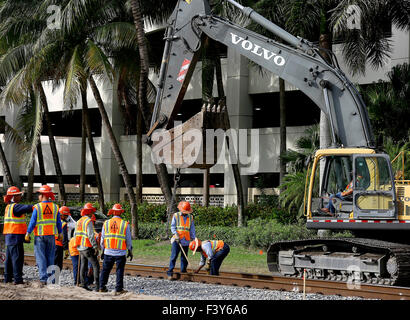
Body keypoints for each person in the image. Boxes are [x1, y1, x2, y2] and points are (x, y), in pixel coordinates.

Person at [25, 185, 62, 285]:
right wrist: (61, 233)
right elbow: (58, 222)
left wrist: (28, 233)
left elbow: (32, 222)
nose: (38, 196)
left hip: (40, 236)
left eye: (39, 194)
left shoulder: (37, 207)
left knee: (41, 257)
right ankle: (52, 279)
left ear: (42, 195)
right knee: (50, 257)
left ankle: (43, 279)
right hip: (51, 236)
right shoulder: (55, 207)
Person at [99, 204, 133, 295]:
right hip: (120, 253)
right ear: (121, 213)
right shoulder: (125, 224)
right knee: (119, 270)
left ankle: (101, 287)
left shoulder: (106, 223)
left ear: (113, 212)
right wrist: (130, 250)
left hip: (108, 251)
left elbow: (102, 239)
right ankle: (118, 289)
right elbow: (128, 240)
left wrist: (103, 250)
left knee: (105, 270)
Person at [3, 186, 33, 285]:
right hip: (15, 237)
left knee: (9, 259)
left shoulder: (8, 207)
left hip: (9, 236)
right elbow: (28, 208)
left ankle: (7, 278)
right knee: (17, 258)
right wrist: (39, 206)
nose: (20, 196)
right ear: (14, 197)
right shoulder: (16, 207)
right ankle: (18, 279)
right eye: (19, 195)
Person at [167, 201, 195, 280]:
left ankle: (183, 272)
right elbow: (173, 227)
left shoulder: (190, 217)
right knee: (174, 256)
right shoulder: (176, 216)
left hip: (186, 240)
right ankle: (170, 273)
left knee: (184, 258)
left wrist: (194, 238)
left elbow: (192, 229)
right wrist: (175, 235)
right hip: (177, 240)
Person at [74, 202, 100, 291]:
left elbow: (75, 234)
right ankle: (97, 286)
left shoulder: (78, 221)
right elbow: (90, 235)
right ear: (89, 212)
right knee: (96, 265)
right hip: (87, 247)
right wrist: (95, 246)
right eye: (92, 211)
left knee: (83, 265)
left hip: (80, 247)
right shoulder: (88, 221)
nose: (93, 213)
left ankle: (83, 284)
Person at [54, 206, 70, 273]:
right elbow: (64, 238)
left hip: (51, 244)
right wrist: (66, 249)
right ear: (62, 215)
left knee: (52, 262)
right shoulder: (63, 224)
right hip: (58, 246)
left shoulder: (53, 221)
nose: (67, 217)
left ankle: (50, 279)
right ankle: (54, 280)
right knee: (58, 264)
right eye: (66, 216)